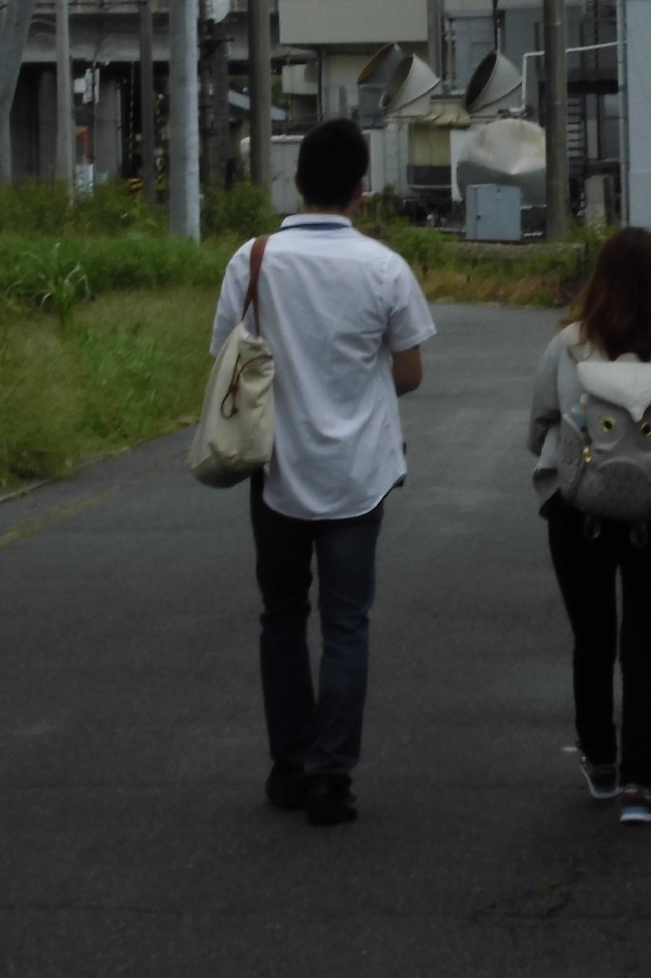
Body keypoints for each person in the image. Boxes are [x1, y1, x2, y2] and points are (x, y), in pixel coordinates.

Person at [211, 119, 435, 827]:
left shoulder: (253, 259)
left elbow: (225, 360)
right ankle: (331, 778)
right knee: (346, 624)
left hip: (275, 469)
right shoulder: (384, 267)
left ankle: (289, 766)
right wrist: (353, 388)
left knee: (282, 617)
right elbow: (409, 372)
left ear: (296, 181)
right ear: (362, 188)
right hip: (358, 476)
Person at [528, 228, 651, 826]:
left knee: (592, 640)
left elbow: (541, 423)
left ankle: (600, 761)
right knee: (644, 647)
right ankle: (639, 785)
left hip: (579, 509)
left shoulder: (567, 346)